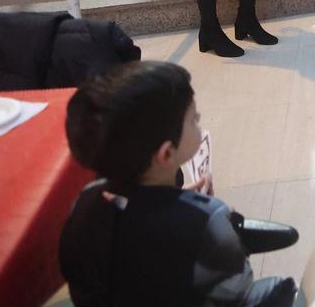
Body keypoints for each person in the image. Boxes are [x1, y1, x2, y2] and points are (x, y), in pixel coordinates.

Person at [59, 61, 297, 307]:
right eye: (193, 119)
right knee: (283, 289)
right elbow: (237, 288)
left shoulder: (85, 201)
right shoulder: (206, 219)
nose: (200, 118)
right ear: (166, 154)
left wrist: (175, 200)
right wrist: (227, 222)